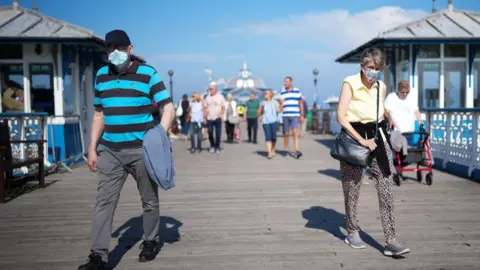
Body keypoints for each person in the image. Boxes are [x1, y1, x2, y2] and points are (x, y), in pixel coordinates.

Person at [79, 29, 175, 270]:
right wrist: (92, 148)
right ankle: (98, 256)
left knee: (149, 199)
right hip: (109, 150)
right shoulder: (101, 75)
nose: (115, 53)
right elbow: (99, 114)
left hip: (142, 149)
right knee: (104, 202)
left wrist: (158, 137)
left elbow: (168, 108)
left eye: (119, 49)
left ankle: (151, 240)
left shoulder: (148, 73)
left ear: (130, 49)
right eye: (110, 49)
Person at [336, 47, 410, 257]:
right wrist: (361, 140)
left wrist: (386, 115)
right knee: (352, 187)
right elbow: (341, 116)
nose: (373, 72)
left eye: (377, 68)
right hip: (354, 138)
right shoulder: (350, 83)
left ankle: (390, 239)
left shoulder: (381, 86)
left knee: (386, 184)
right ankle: (351, 230)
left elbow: (376, 109)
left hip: (377, 137)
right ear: (362, 66)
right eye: (370, 68)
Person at [384, 80, 423, 145]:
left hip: (409, 133)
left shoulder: (411, 98)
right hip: (396, 133)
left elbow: (416, 111)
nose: (405, 94)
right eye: (403, 92)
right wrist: (389, 120)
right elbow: (385, 111)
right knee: (397, 153)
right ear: (398, 90)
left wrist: (420, 122)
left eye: (407, 92)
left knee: (408, 153)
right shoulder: (391, 97)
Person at [279, 76, 304, 159]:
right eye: (284, 82)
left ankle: (297, 150)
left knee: (295, 132)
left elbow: (301, 103)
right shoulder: (282, 92)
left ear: (291, 82)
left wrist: (302, 115)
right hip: (285, 115)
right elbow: (281, 104)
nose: (285, 83)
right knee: (286, 133)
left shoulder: (297, 91)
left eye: (286, 81)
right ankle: (286, 149)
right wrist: (280, 106)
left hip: (295, 114)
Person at [258, 89, 281, 159]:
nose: (265, 94)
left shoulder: (275, 102)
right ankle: (269, 152)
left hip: (274, 121)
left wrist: (282, 105)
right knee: (268, 137)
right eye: (265, 93)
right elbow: (259, 111)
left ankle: (273, 148)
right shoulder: (262, 103)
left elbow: (278, 110)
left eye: (266, 93)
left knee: (274, 137)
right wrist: (260, 116)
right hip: (265, 122)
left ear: (270, 94)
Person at [204, 81, 225, 153]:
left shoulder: (220, 97)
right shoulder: (207, 97)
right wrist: (205, 117)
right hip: (209, 118)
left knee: (218, 133)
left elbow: (223, 107)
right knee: (210, 132)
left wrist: (221, 114)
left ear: (216, 89)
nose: (210, 90)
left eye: (212, 89)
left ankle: (217, 147)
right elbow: (205, 108)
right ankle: (212, 145)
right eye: (210, 89)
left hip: (218, 118)